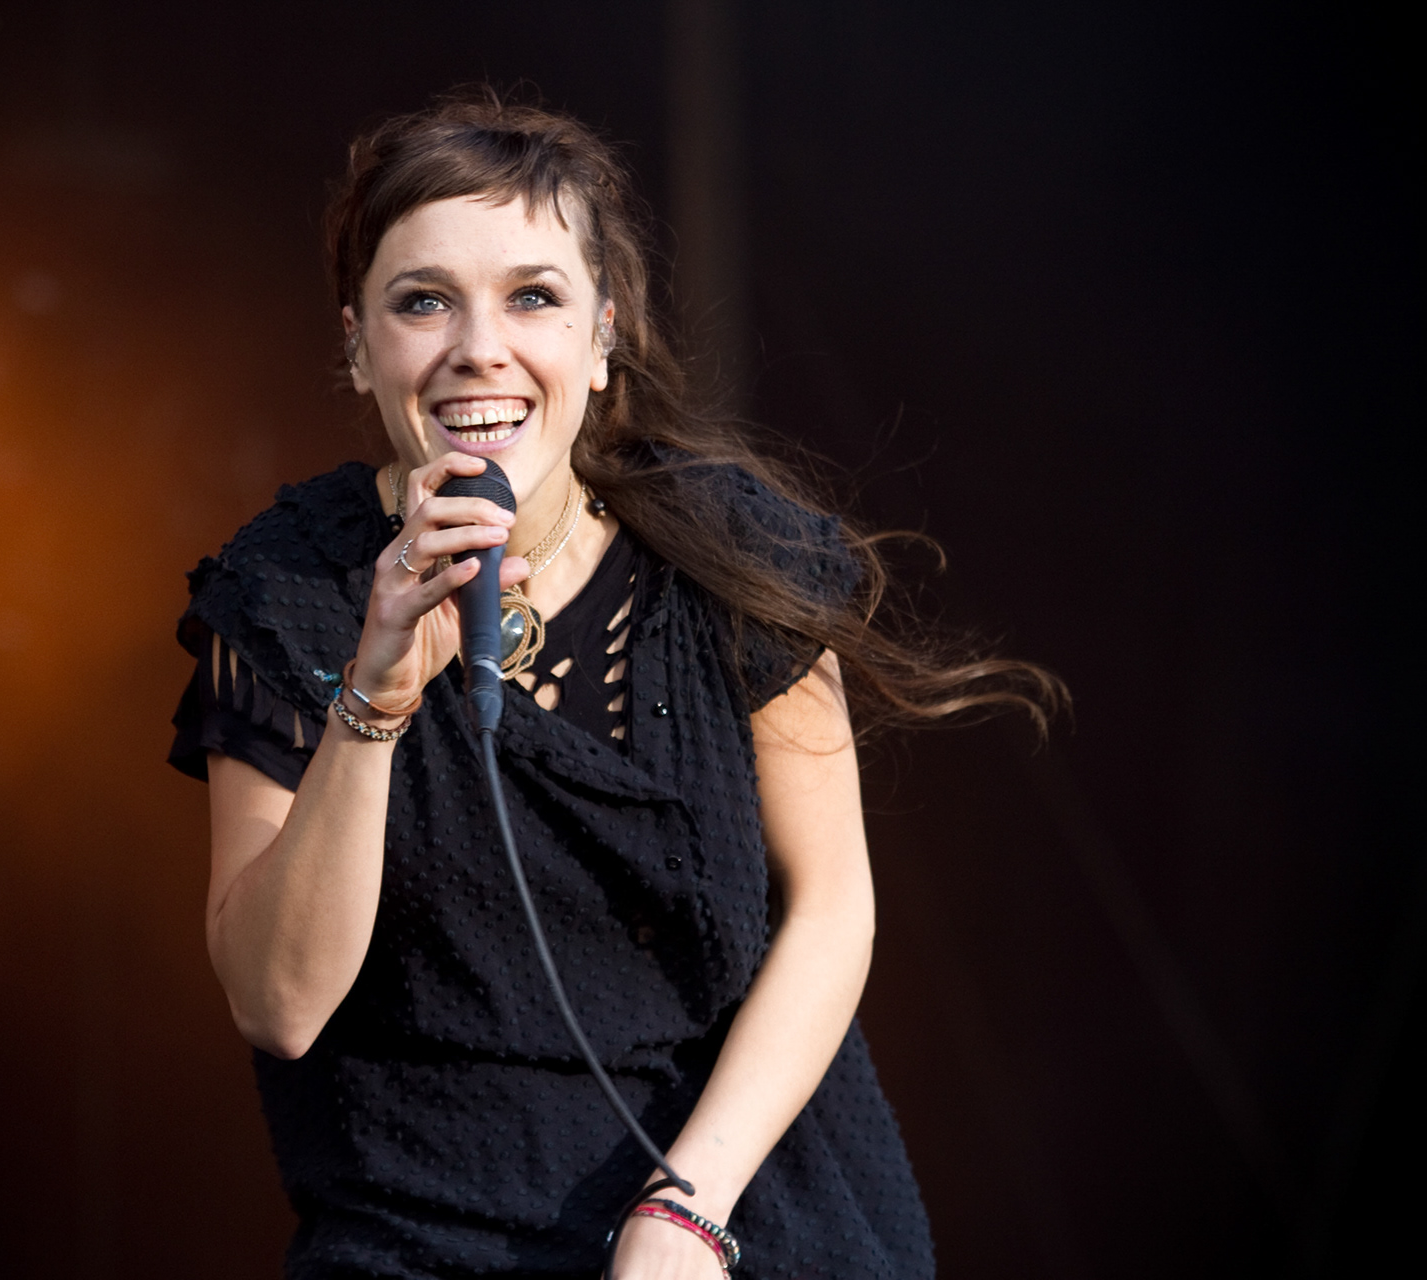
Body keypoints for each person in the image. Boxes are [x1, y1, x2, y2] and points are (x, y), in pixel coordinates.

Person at [170, 90, 1059, 1280]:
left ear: (601, 339)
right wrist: (373, 696)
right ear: (356, 340)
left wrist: (687, 1206)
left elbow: (831, 907)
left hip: (740, 1224)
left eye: (532, 296)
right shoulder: (271, 594)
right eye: (422, 300)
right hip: (422, 1240)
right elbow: (277, 1001)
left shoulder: (732, 550)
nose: (479, 346)